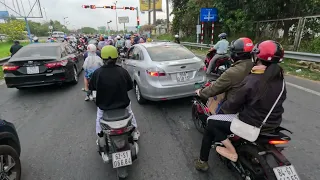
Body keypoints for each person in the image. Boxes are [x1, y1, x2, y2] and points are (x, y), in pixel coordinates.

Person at [194, 40, 286, 172]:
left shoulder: (253, 79)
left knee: (211, 122)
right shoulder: (280, 79)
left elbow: (233, 105)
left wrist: (223, 109)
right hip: (273, 123)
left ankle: (207, 160)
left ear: (258, 57)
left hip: (252, 124)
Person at [89, 45, 140, 141]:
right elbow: (129, 87)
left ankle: (99, 136)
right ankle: (135, 132)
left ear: (102, 58)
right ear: (116, 57)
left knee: (99, 118)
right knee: (130, 113)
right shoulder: (123, 71)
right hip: (123, 104)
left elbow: (92, 87)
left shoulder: (97, 73)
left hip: (104, 106)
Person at [196, 37, 254, 107]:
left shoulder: (232, 73)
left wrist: (201, 92)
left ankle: (208, 71)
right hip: (249, 103)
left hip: (233, 108)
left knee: (211, 61)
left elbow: (214, 88)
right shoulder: (256, 66)